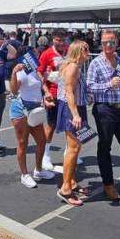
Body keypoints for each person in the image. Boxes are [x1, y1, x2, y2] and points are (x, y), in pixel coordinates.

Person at [87, 29, 120, 201]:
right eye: (104, 43)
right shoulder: (95, 63)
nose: (107, 46)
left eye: (111, 42)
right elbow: (89, 86)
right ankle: (108, 184)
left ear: (116, 43)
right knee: (105, 146)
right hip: (104, 108)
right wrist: (108, 84)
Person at [56, 40, 91, 206]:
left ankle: (72, 182)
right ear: (78, 51)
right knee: (73, 148)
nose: (88, 52)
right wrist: (76, 114)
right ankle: (65, 189)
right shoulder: (73, 67)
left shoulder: (74, 66)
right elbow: (69, 92)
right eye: (86, 50)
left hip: (76, 108)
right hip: (72, 110)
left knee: (76, 147)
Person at [8, 61, 54, 188]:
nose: (36, 58)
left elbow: (41, 85)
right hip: (21, 109)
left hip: (35, 109)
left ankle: (38, 170)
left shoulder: (36, 70)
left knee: (41, 140)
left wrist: (46, 83)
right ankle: (24, 175)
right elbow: (13, 90)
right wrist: (13, 73)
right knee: (23, 142)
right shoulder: (21, 72)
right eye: (33, 54)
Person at [38, 29, 69, 171]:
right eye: (58, 40)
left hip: (69, 94)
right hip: (54, 94)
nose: (61, 43)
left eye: (63, 40)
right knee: (51, 124)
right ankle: (45, 155)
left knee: (70, 125)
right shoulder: (46, 54)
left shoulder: (70, 50)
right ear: (53, 40)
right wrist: (46, 90)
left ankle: (69, 151)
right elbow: (40, 72)